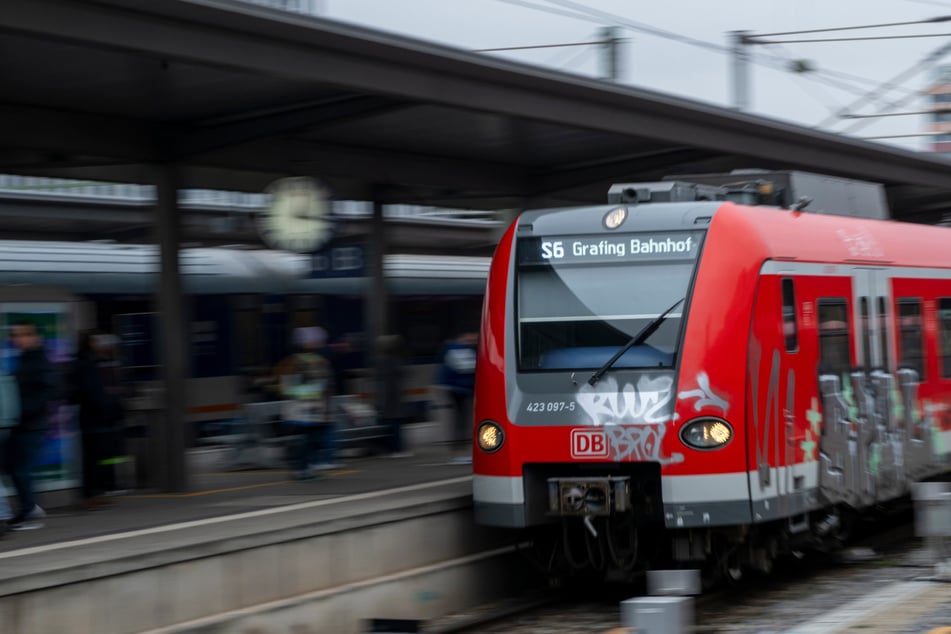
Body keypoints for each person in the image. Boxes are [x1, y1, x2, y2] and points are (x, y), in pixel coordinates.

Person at [5, 319, 55, 530]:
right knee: (16, 468)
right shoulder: (25, 359)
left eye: (22, 334)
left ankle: (29, 511)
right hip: (21, 423)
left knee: (20, 469)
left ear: (35, 337)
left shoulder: (38, 361)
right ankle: (29, 507)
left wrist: (24, 410)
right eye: (15, 335)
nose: (17, 339)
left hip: (31, 424)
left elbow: (47, 392)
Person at [71, 330, 125, 509]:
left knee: (95, 457)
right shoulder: (89, 364)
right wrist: (110, 408)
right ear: (91, 343)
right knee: (95, 457)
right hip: (96, 419)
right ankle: (92, 494)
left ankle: (95, 493)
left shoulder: (85, 362)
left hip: (91, 418)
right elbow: (94, 392)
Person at [274, 327, 335, 479]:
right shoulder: (319, 362)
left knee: (305, 440)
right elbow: (328, 386)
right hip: (312, 409)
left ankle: (304, 467)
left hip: (302, 410)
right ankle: (306, 467)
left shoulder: (294, 362)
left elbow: (286, 388)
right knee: (309, 440)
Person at [437, 330, 477, 464]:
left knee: (461, 421)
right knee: (461, 421)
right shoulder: (460, 349)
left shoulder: (452, 349)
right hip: (460, 389)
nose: (473, 340)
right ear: (464, 335)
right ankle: (459, 452)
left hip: (458, 389)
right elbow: (467, 367)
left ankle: (460, 451)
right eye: (472, 337)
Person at [377, 334, 410, 457]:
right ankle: (397, 449)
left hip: (387, 399)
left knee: (389, 425)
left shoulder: (381, 361)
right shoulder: (394, 361)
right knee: (395, 426)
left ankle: (389, 449)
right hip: (393, 398)